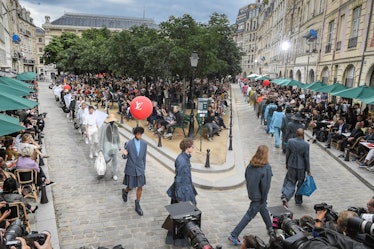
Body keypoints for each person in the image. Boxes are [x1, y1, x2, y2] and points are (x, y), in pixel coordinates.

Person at [228, 145, 274, 246]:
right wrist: (264, 198)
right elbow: (265, 186)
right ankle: (234, 234)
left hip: (252, 193)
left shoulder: (251, 164)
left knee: (263, 209)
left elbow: (246, 176)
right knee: (249, 215)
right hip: (259, 196)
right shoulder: (266, 168)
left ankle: (270, 228)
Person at [121, 127, 147, 216]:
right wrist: (124, 154)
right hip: (131, 168)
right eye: (138, 134)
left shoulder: (144, 144)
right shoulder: (129, 143)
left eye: (141, 134)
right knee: (131, 187)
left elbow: (144, 157)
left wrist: (143, 168)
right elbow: (125, 157)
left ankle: (137, 204)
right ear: (135, 134)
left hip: (140, 169)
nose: (140, 136)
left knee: (140, 186)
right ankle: (125, 191)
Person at [281, 128, 311, 207]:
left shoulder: (290, 141)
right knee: (300, 184)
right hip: (301, 167)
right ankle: (298, 199)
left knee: (290, 181)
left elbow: (288, 153)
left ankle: (286, 196)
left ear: (296, 134)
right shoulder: (306, 145)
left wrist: (287, 163)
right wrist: (308, 170)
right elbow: (306, 158)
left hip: (292, 164)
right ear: (303, 134)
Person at [166, 138, 197, 204]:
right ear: (187, 148)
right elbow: (178, 178)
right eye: (192, 147)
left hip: (187, 186)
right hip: (183, 190)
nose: (193, 148)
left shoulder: (186, 157)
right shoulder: (181, 160)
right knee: (184, 210)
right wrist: (179, 194)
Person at [99, 114, 121, 181]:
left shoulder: (116, 127)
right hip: (106, 145)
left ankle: (114, 173)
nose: (112, 122)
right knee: (105, 159)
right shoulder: (104, 127)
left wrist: (118, 145)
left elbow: (117, 137)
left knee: (115, 160)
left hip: (114, 146)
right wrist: (101, 147)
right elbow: (102, 137)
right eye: (111, 121)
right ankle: (103, 170)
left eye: (113, 121)